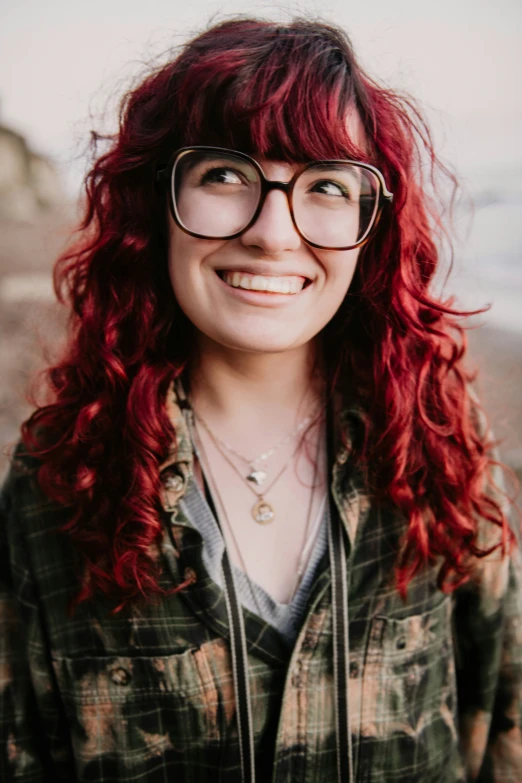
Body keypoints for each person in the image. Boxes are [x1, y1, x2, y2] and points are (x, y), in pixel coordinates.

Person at [1, 16, 521, 783]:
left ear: (371, 227)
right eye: (225, 175)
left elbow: (502, 712)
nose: (274, 234)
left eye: (327, 187)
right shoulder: (60, 476)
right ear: (157, 199)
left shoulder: (435, 438)